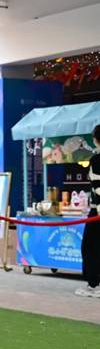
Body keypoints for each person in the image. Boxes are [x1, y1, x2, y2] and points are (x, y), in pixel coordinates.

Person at [76, 124, 100, 298]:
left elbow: (98, 187)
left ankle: (94, 284)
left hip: (98, 212)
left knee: (90, 247)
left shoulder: (97, 160)